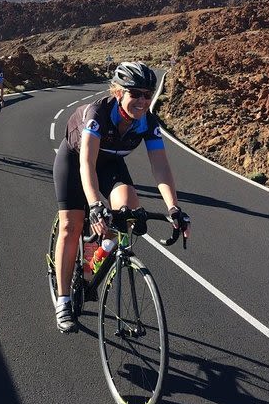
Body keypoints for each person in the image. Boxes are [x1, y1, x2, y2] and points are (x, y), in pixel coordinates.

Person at [51, 61, 190, 333]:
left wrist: (174, 208)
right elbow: (86, 164)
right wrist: (93, 205)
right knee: (72, 225)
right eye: (135, 93)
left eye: (148, 94)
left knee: (127, 210)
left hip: (112, 165)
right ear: (118, 93)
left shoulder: (147, 122)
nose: (142, 100)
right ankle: (64, 300)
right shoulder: (97, 115)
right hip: (76, 160)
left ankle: (97, 253)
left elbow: (160, 166)